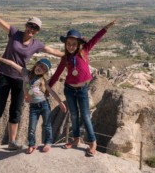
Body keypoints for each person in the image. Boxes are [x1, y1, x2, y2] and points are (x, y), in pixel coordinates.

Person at [0, 0, 64, 158]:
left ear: (38, 31)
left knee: (16, 111)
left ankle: (12, 141)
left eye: (35, 28)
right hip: (5, 77)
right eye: (30, 26)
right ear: (26, 25)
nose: (32, 29)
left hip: (21, 80)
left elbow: (55, 51)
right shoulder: (14, 33)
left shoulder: (36, 45)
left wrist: (76, 55)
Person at [48, 20, 117, 156]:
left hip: (82, 90)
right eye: (68, 44)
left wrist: (106, 28)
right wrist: (48, 87)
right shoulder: (65, 59)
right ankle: (75, 140)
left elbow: (96, 38)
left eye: (74, 44)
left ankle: (92, 143)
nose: (71, 46)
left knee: (85, 116)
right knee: (73, 115)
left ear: (79, 44)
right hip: (69, 89)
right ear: (65, 44)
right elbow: (57, 74)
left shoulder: (85, 51)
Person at [0, 57, 67, 154]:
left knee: (47, 125)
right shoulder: (25, 73)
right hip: (33, 107)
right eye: (40, 66)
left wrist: (60, 102)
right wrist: (1, 59)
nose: (40, 69)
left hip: (44, 104)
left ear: (44, 72)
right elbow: (13, 64)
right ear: (36, 64)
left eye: (43, 69)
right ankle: (31, 144)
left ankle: (48, 143)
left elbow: (51, 91)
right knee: (32, 127)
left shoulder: (42, 80)